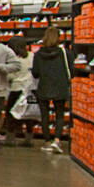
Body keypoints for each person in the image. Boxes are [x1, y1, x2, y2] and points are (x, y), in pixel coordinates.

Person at [31, 25, 71, 153]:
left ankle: (47, 141)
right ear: (59, 38)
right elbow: (71, 70)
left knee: (44, 116)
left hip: (44, 86)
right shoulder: (65, 53)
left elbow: (35, 73)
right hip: (60, 86)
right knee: (59, 114)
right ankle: (57, 140)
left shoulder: (37, 54)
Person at [2, 36, 33, 144]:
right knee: (28, 114)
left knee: (11, 114)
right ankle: (28, 139)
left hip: (16, 88)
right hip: (29, 90)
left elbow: (9, 76)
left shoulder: (13, 59)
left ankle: (10, 138)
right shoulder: (32, 56)